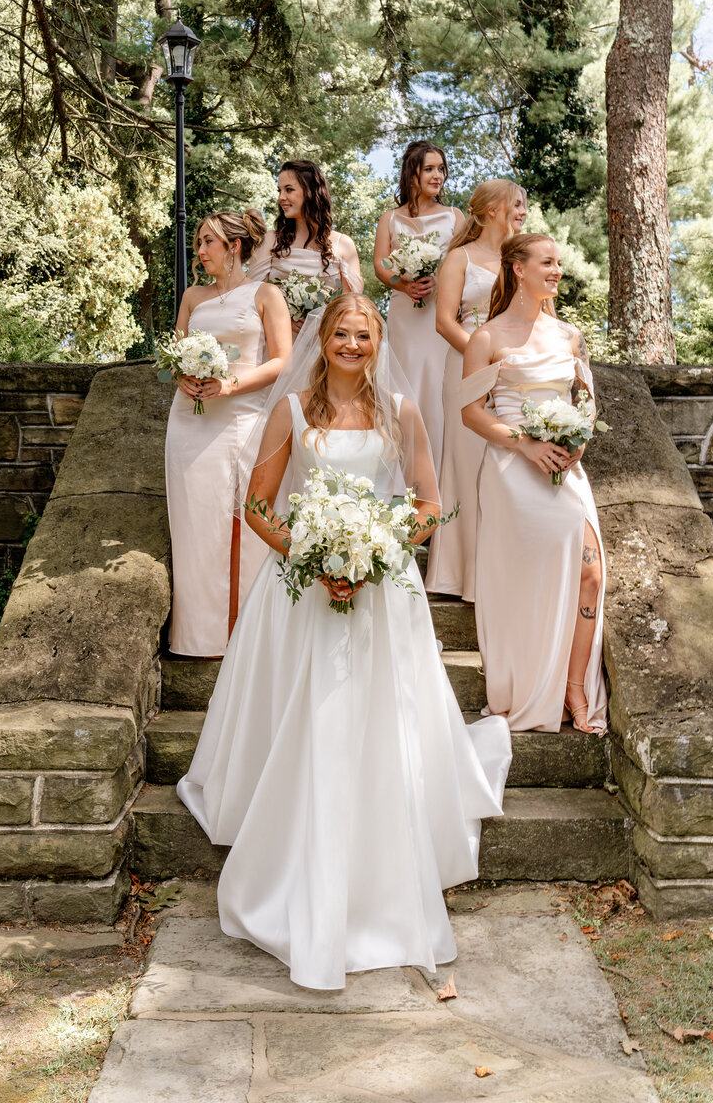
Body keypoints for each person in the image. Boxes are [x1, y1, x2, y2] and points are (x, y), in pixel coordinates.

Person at [176, 294, 512, 991]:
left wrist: (379, 547)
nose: (352, 344)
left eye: (364, 334)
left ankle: (378, 858)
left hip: (381, 589)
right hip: (302, 590)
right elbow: (259, 506)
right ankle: (302, 856)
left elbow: (427, 502)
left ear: (378, 341)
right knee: (313, 721)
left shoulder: (401, 409)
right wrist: (311, 553)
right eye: (342, 333)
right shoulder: (292, 410)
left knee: (378, 725)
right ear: (322, 339)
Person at [460, 233, 608, 734]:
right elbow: (470, 414)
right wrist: (524, 444)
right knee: (525, 581)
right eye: (547, 262)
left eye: (559, 263)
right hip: (511, 471)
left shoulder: (570, 336)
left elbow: (586, 400)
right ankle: (527, 684)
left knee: (589, 571)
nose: (557, 270)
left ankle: (573, 686)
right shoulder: (487, 338)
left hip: (566, 469)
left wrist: (579, 439)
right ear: (518, 269)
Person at [165, 210, 292, 656]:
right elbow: (174, 353)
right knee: (196, 520)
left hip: (243, 416)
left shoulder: (266, 294)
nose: (199, 252)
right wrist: (183, 378)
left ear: (234, 246)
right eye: (198, 242)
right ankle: (198, 637)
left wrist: (230, 384)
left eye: (207, 242)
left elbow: (282, 360)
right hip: (190, 418)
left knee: (246, 519)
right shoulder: (191, 296)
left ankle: (253, 636)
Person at [426, 180, 527, 600]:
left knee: (507, 462)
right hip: (468, 364)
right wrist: (482, 356)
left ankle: (502, 569)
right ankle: (460, 575)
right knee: (466, 459)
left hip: (514, 370)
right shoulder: (459, 257)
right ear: (490, 208)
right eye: (516, 204)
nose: (523, 210)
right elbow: (444, 321)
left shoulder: (521, 256)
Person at [373, 141, 464, 468]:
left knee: (438, 385)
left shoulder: (455, 217)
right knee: (405, 382)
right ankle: (404, 470)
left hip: (440, 315)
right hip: (404, 315)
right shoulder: (390, 219)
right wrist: (405, 283)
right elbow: (381, 265)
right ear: (412, 174)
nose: (437, 175)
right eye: (429, 169)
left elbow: (466, 261)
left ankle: (441, 469)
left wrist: (439, 281)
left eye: (441, 169)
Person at [246, 159, 364, 336]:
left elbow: (350, 305)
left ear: (310, 191)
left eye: (289, 189)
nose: (281, 198)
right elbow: (252, 295)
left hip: (325, 340)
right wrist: (284, 317)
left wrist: (321, 322)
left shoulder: (343, 244)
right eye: (280, 191)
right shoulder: (271, 240)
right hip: (278, 338)